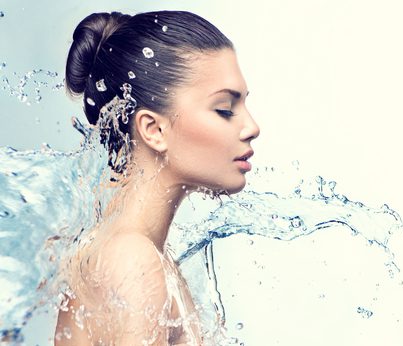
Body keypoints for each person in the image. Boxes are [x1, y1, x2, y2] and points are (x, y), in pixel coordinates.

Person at [54, 10, 260, 345]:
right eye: (224, 109)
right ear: (154, 130)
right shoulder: (135, 261)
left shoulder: (129, 250)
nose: (252, 127)